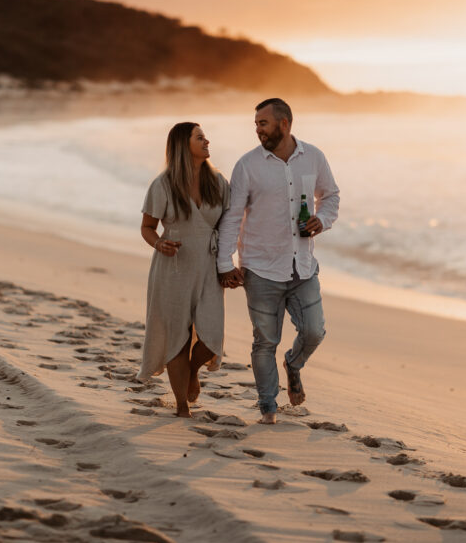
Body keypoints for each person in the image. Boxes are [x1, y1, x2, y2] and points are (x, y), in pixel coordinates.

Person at [217, 98, 340, 424]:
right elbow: (232, 216)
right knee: (265, 341)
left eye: (263, 123)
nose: (257, 129)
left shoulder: (313, 157)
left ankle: (294, 364)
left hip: (302, 266)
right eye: (256, 124)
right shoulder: (247, 165)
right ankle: (268, 406)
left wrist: (321, 221)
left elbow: (330, 196)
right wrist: (225, 261)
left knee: (314, 332)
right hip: (260, 269)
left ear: (284, 124)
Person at [138, 122, 230, 417]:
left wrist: (231, 264)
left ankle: (192, 369)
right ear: (182, 144)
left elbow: (230, 225)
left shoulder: (218, 182)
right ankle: (180, 406)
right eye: (199, 137)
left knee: (212, 334)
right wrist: (158, 245)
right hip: (173, 267)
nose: (206, 141)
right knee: (177, 335)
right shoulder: (163, 184)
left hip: (208, 266)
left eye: (205, 137)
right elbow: (148, 227)